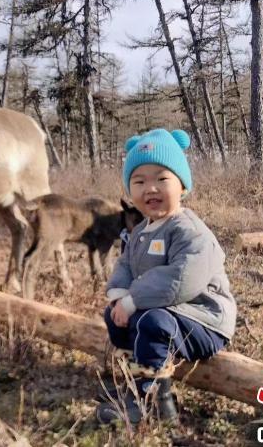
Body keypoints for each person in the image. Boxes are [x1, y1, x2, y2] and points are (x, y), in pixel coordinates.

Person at [96, 129, 237, 425]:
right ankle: (134, 381)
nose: (151, 189)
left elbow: (182, 278)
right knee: (115, 316)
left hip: (204, 318)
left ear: (182, 186)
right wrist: (120, 296)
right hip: (170, 312)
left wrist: (134, 300)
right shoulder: (142, 232)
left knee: (150, 321)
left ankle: (152, 399)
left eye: (162, 179)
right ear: (130, 191)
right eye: (140, 181)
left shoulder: (189, 230)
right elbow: (126, 265)